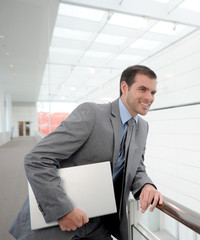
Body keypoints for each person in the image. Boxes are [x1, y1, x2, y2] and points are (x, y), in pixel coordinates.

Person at [9, 65, 163, 240]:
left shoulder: (142, 127)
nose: (149, 97)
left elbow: (136, 166)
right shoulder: (92, 114)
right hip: (61, 219)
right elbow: (37, 158)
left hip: (99, 222)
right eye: (142, 89)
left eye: (153, 92)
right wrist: (63, 211)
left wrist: (146, 185)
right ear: (124, 87)